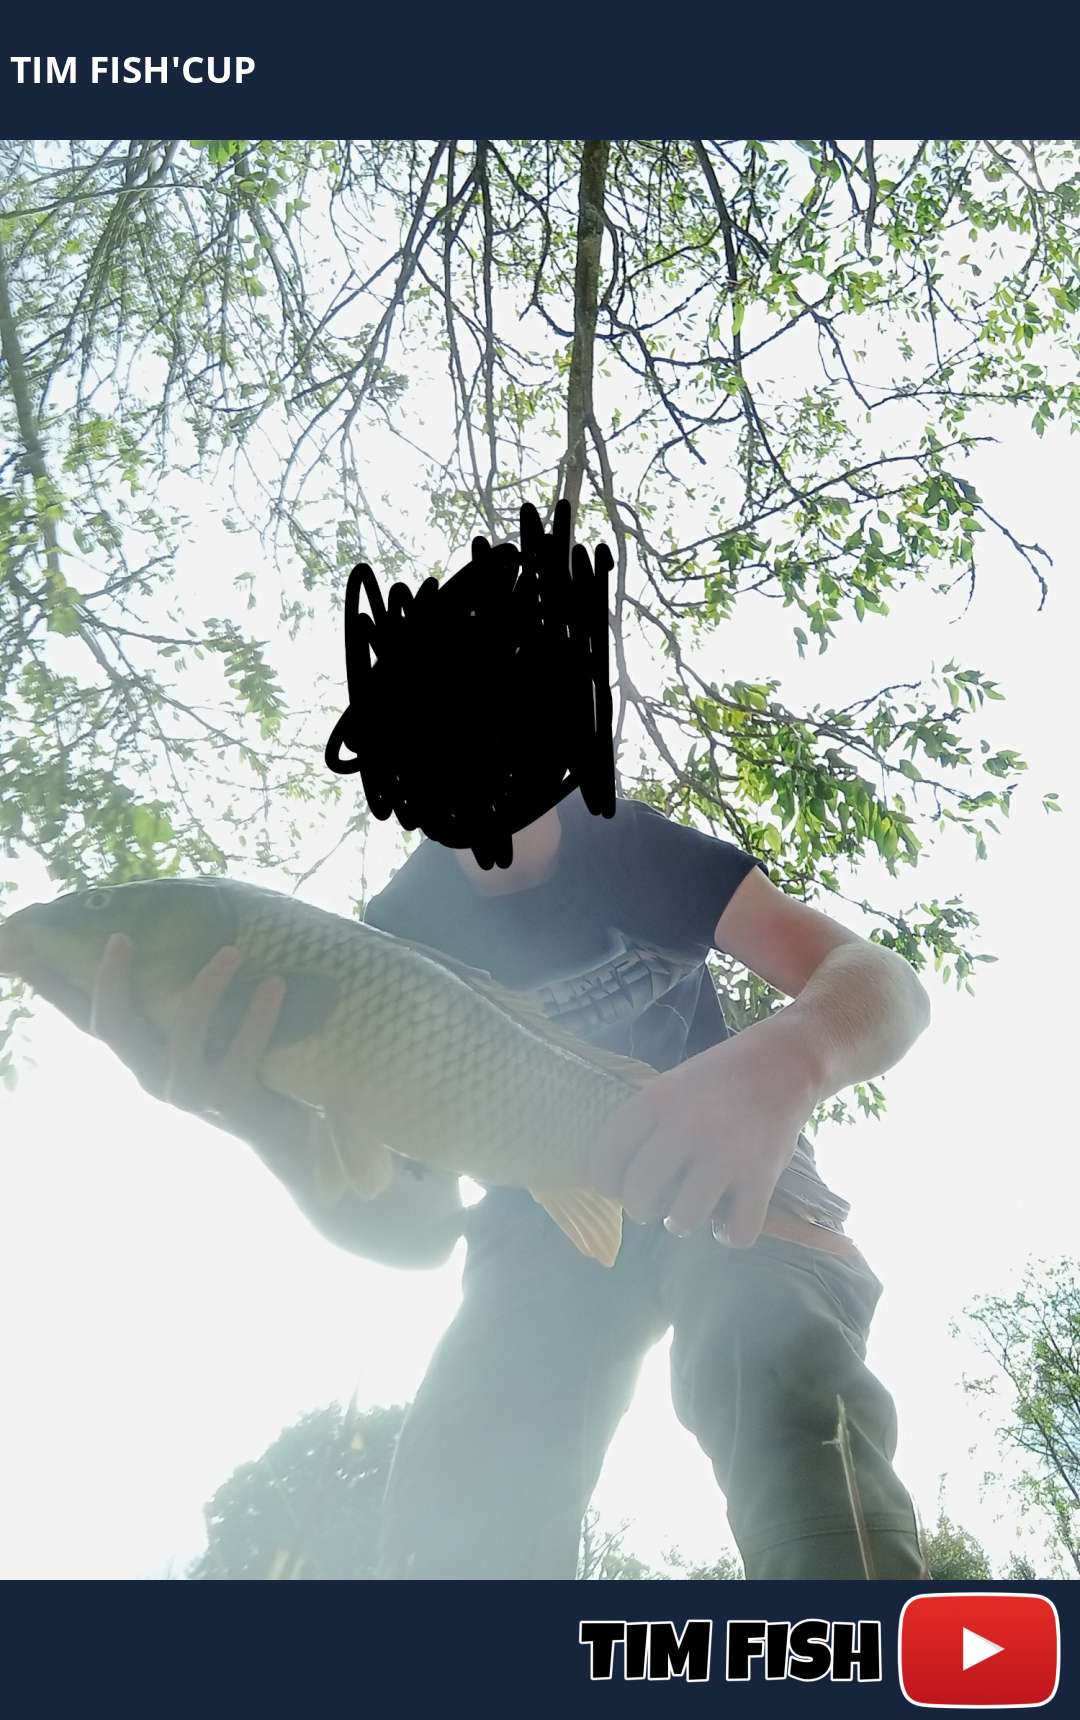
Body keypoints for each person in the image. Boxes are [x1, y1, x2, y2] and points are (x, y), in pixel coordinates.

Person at [27, 792, 931, 1579]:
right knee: (465, 1485)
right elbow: (417, 1229)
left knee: (771, 1349)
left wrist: (793, 1057)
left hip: (719, 1149)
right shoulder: (398, 925)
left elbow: (884, 983)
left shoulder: (629, 842)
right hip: (529, 1213)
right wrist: (262, 1116)